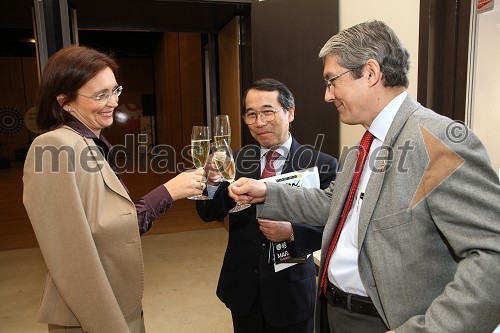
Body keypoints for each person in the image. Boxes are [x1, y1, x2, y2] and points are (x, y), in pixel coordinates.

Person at [229, 20, 500, 333]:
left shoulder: (438, 141)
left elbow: (492, 253)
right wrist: (267, 192)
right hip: (335, 312)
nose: (327, 95)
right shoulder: (363, 147)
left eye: (332, 81)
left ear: (370, 73)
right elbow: (334, 204)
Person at [22, 45, 206, 333]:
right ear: (65, 102)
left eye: (115, 90)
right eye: (100, 95)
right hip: (91, 312)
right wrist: (166, 192)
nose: (113, 102)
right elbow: (71, 252)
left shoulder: (88, 143)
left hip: (117, 298)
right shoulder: (54, 147)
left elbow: (106, 225)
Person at [196, 78, 337, 333]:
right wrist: (211, 182)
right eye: (251, 115)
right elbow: (209, 212)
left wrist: (294, 232)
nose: (259, 123)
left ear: (290, 112)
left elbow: (335, 226)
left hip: (291, 290)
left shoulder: (321, 164)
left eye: (267, 112)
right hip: (243, 288)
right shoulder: (235, 160)